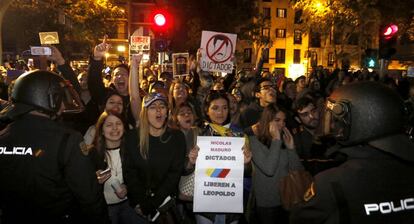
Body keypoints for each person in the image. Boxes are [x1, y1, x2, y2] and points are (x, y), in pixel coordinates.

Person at [290, 82, 414, 224]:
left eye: (337, 121)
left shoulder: (331, 182)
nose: (332, 125)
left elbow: (298, 219)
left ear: (356, 123)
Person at [0, 70, 109, 224]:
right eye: (60, 99)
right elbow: (89, 196)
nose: (63, 106)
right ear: (50, 98)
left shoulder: (3, 136)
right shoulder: (68, 139)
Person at [124, 92, 186, 221]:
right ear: (145, 112)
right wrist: (141, 203)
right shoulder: (132, 137)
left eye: (162, 106)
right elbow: (130, 173)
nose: (158, 110)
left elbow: (174, 174)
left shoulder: (177, 137)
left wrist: (152, 204)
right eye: (152, 107)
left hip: (164, 205)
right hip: (137, 207)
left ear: (167, 111)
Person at [89, 111, 146, 224]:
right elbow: (81, 185)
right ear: (101, 130)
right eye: (109, 125)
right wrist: (94, 181)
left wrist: (128, 187)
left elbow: (142, 176)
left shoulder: (133, 149)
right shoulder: (92, 153)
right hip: (105, 208)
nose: (114, 128)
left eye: (118, 123)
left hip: (129, 204)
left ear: (124, 127)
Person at [250, 105, 303, 224]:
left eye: (284, 121)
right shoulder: (254, 141)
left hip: (288, 199)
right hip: (267, 204)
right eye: (277, 120)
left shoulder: (282, 140)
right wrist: (276, 141)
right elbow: (269, 169)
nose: (282, 125)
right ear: (267, 121)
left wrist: (291, 149)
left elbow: (297, 170)